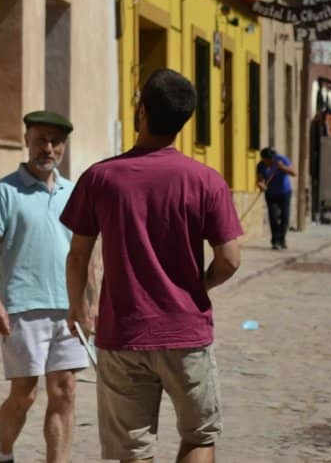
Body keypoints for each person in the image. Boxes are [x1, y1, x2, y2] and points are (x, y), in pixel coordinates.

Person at [62, 69, 242, 463]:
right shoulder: (206, 181)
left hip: (122, 333)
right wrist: (200, 285)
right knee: (199, 436)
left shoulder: (100, 178)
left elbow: (77, 255)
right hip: (185, 331)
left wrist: (77, 306)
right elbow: (229, 260)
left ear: (141, 111)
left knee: (131, 451)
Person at [0, 110, 89, 463]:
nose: (48, 148)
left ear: (64, 148)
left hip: (68, 307)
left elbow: (86, 252)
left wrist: (91, 302)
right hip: (23, 306)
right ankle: (4, 453)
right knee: (24, 393)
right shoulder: (5, 191)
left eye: (56, 142)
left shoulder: (74, 192)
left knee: (65, 390)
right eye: (41, 139)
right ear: (27, 140)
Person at [256, 147, 296, 250]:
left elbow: (293, 173)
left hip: (284, 192)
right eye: (266, 161)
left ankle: (282, 240)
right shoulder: (261, 165)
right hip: (271, 194)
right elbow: (260, 180)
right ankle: (275, 241)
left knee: (285, 217)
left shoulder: (282, 160)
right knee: (273, 217)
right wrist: (261, 185)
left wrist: (282, 167)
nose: (268, 163)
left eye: (270, 161)